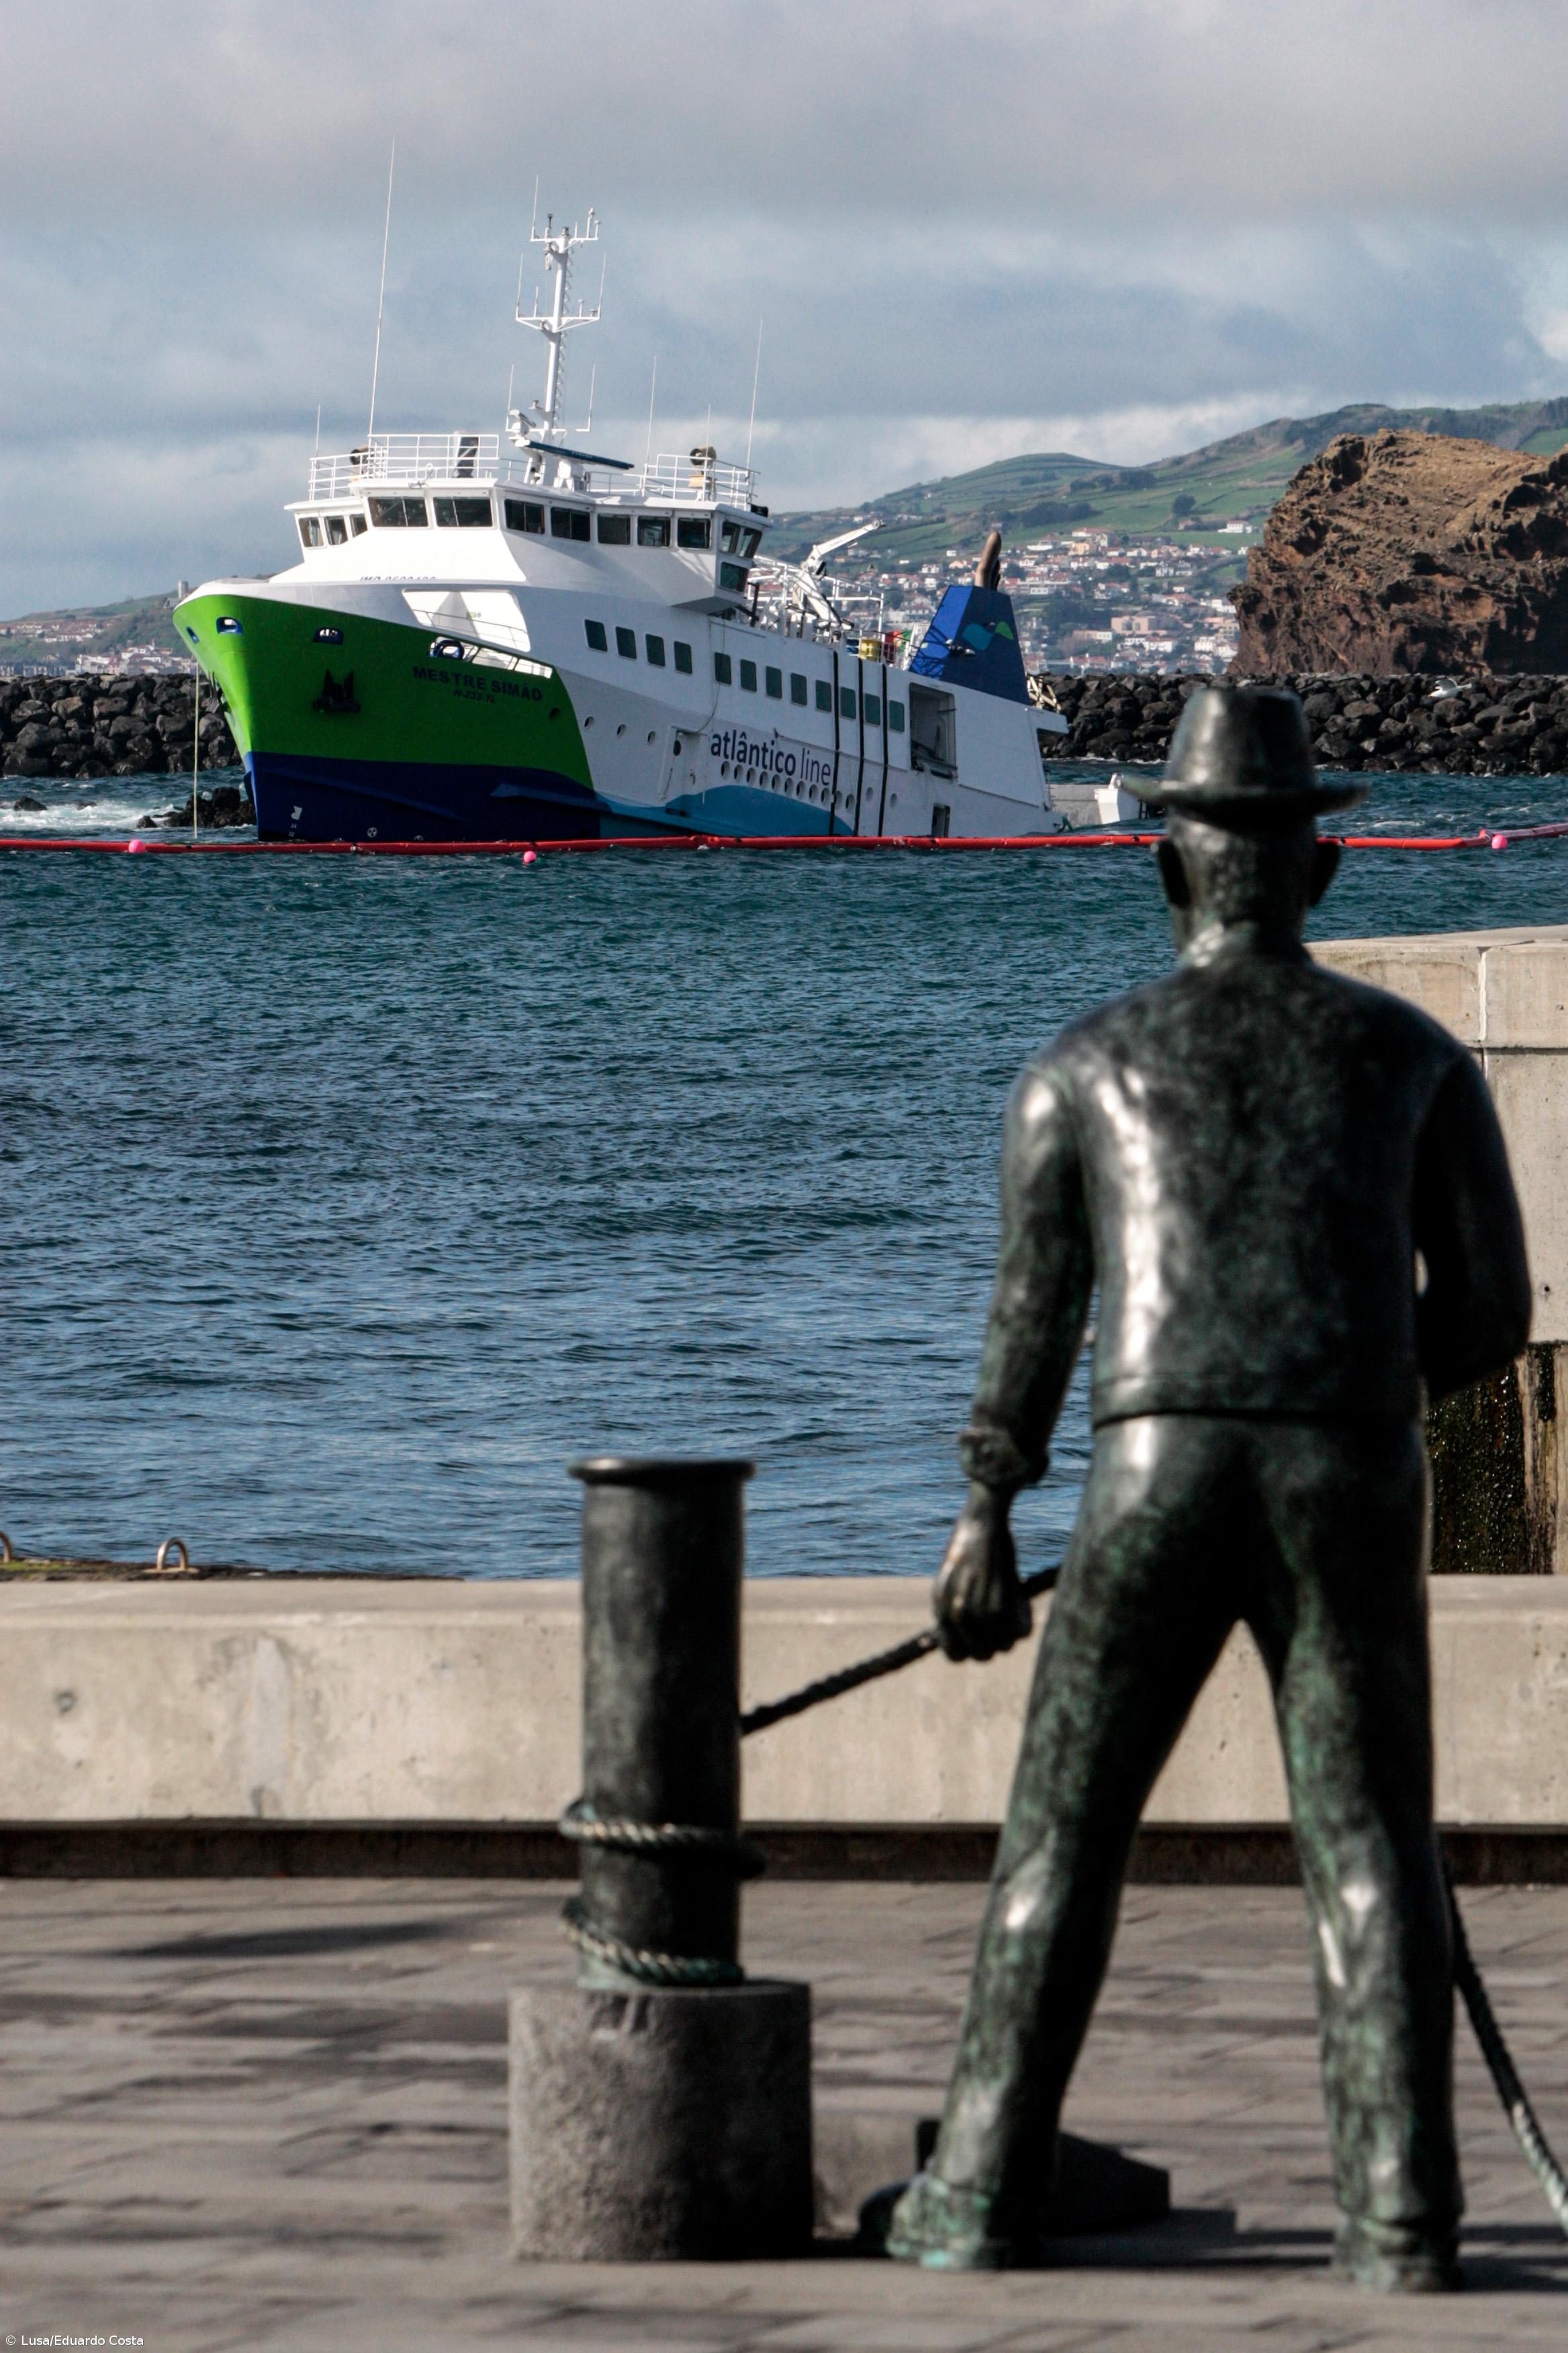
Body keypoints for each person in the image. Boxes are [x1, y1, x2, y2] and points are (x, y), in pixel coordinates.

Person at [886, 686, 1531, 2293]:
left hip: (1151, 1466)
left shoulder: (1079, 1071)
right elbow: (1491, 1313)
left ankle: (972, 2200)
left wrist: (984, 1519)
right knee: (1372, 1849)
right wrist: (1358, 1393)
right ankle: (1398, 2226)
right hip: (1348, 1464)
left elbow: (1029, 1333)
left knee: (1061, 1842)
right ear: (1320, 871)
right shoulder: (1411, 1058)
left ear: (1166, 868)